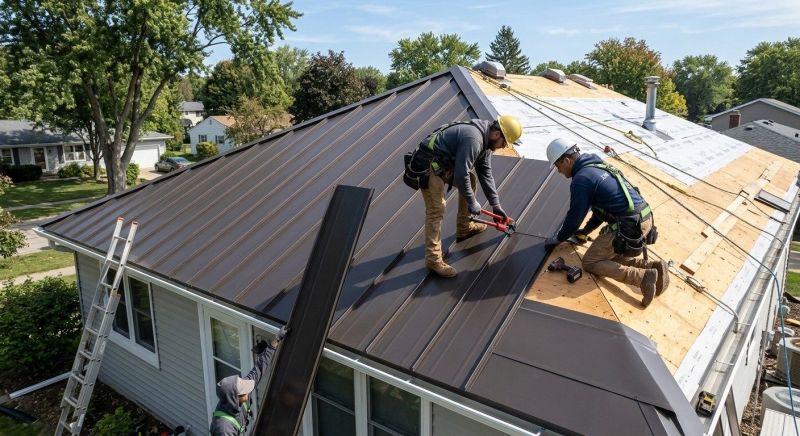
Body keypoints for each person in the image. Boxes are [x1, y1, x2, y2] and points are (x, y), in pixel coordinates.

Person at [543, 138, 668, 307]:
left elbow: (574, 217)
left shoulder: (581, 179)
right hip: (645, 218)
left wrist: (558, 238)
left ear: (566, 160)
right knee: (607, 255)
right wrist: (586, 231)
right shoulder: (596, 165)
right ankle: (654, 267)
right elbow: (601, 211)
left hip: (628, 226)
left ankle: (641, 277)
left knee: (591, 262)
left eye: (558, 166)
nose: (559, 171)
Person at [419, 115, 523, 278]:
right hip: (429, 167)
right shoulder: (474, 139)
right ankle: (433, 259)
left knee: (472, 179)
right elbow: (461, 175)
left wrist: (495, 204)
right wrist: (472, 202)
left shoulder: (485, 143)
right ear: (497, 134)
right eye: (504, 143)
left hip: (443, 165)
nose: (503, 147)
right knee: (437, 209)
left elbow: (485, 174)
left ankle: (464, 226)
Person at [210, 335, 281, 435]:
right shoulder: (223, 429)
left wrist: (275, 342)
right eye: (244, 392)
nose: (247, 391)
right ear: (234, 398)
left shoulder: (238, 388)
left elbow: (258, 370)